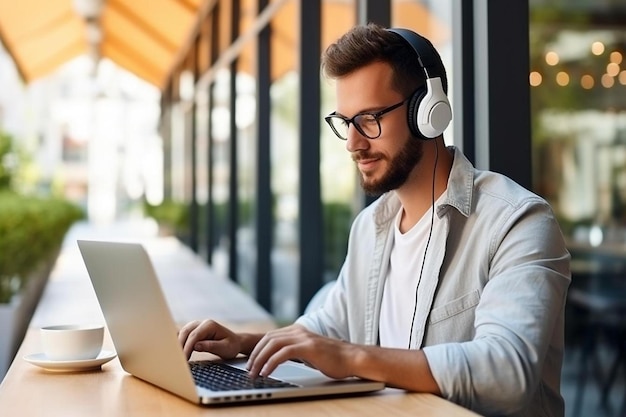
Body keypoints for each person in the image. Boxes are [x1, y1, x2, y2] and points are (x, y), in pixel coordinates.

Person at [178, 23, 570, 417]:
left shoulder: (516, 222)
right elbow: (327, 330)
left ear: (427, 112)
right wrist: (244, 343)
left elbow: (507, 373)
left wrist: (353, 358)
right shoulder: (371, 227)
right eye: (346, 122)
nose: (353, 143)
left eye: (369, 119)